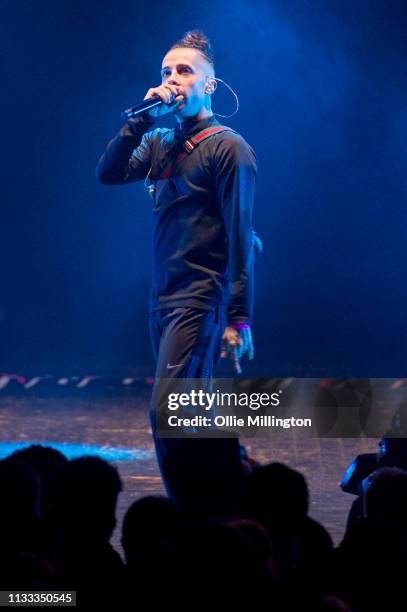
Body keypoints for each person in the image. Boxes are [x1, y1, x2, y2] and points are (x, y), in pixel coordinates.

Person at [96, 30, 259, 498]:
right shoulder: (160, 140)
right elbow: (107, 173)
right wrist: (137, 121)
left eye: (185, 71)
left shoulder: (229, 148)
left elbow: (241, 236)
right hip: (162, 297)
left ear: (210, 85)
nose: (173, 79)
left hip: (201, 295)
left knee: (166, 412)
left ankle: (187, 513)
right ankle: (227, 500)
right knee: (191, 412)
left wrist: (239, 314)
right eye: (167, 71)